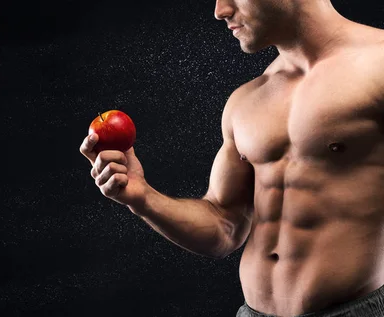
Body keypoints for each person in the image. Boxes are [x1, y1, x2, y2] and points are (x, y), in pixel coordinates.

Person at [79, 0, 384, 316]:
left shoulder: (379, 65)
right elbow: (224, 226)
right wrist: (142, 198)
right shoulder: (246, 101)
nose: (220, 10)